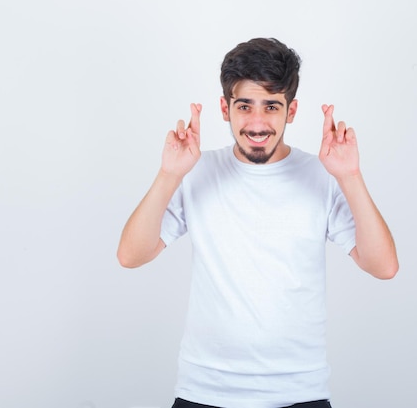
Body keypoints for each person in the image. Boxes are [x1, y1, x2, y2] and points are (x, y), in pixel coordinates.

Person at [117, 37, 398, 408]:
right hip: (204, 391)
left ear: (291, 111)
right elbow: (131, 255)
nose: (257, 122)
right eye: (245, 105)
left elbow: (383, 266)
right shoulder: (196, 171)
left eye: (271, 106)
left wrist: (350, 176)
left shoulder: (322, 175)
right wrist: (169, 174)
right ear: (224, 107)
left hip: (300, 393)